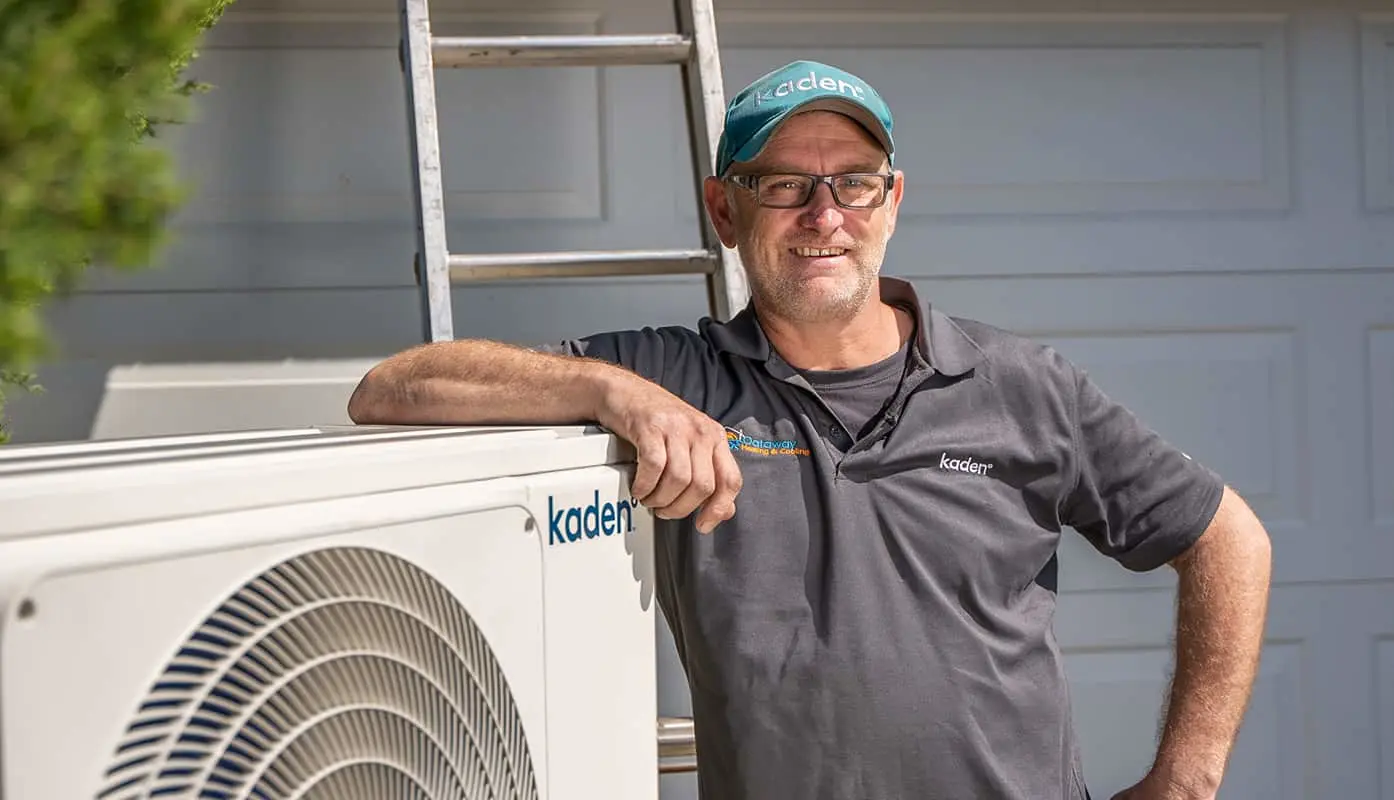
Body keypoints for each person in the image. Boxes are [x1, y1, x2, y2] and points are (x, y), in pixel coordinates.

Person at [348, 59, 1273, 800]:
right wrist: (610, 392)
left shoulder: (1020, 386)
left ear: (892, 202)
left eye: (854, 184)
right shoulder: (681, 379)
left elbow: (1227, 536)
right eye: (785, 184)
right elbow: (393, 388)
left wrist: (1185, 780)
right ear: (725, 210)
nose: (824, 215)